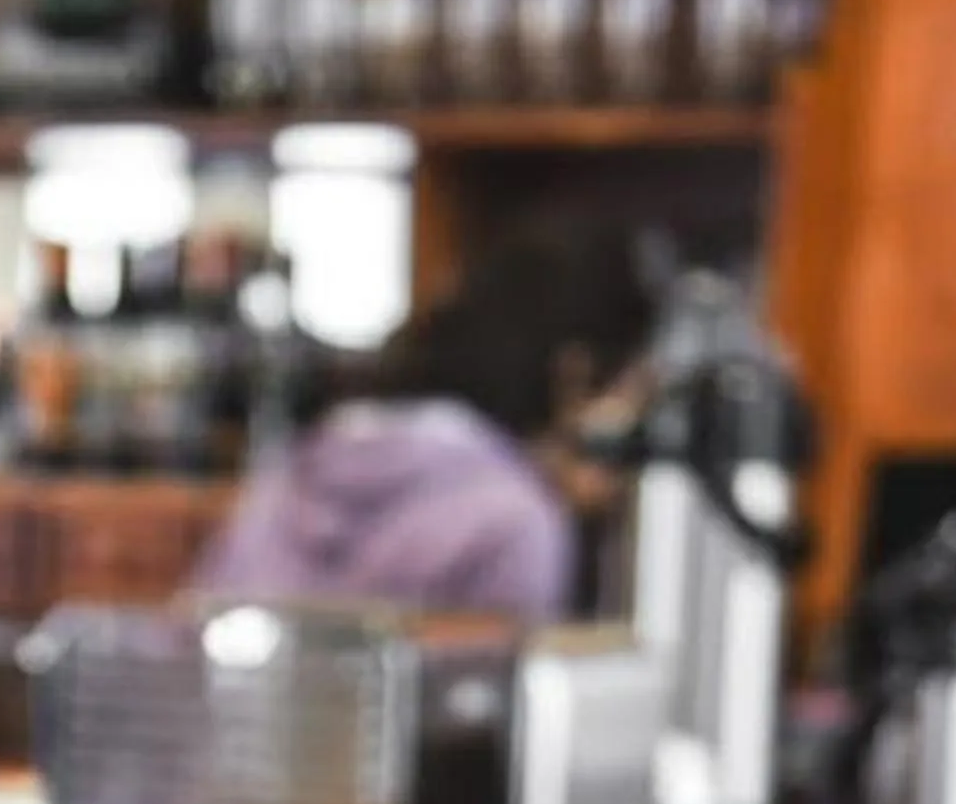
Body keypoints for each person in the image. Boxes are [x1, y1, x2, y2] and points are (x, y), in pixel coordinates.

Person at [195, 217, 655, 623]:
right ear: (575, 376)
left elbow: (201, 628)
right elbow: (494, 711)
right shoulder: (517, 522)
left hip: (233, 719)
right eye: (632, 392)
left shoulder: (316, 453)